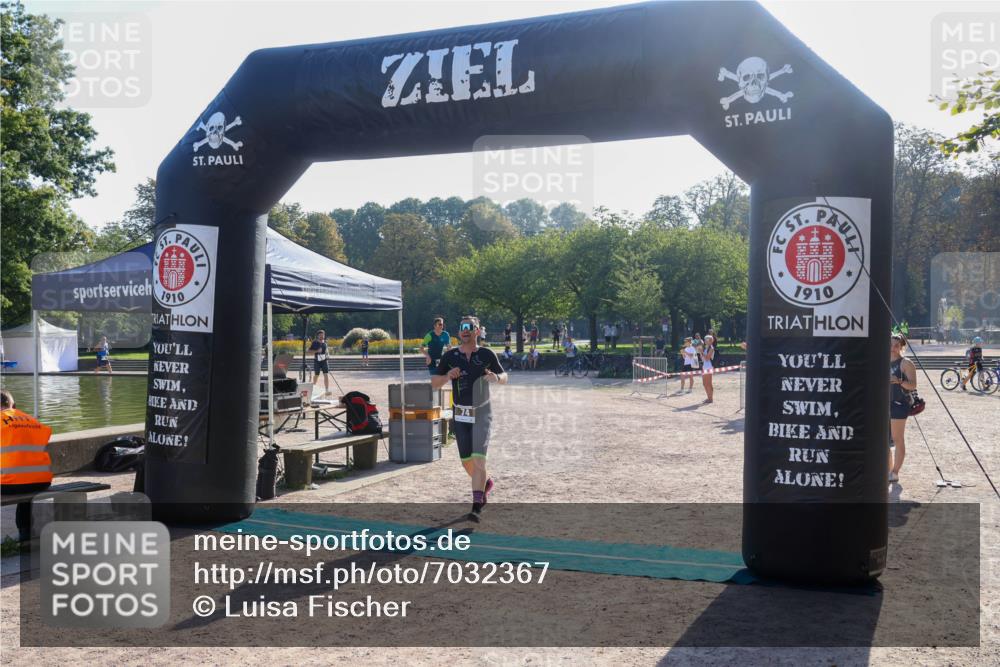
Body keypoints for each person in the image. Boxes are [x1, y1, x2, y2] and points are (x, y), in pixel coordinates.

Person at [431, 316, 507, 523]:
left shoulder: (486, 354)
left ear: (477, 331)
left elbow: (504, 377)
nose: (465, 330)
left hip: (482, 412)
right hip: (460, 414)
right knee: (467, 463)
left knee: (479, 459)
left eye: (470, 327)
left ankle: (476, 506)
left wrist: (496, 378)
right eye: (462, 327)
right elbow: (434, 383)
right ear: (458, 332)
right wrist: (448, 376)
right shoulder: (450, 356)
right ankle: (486, 483)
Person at [1, 390, 53, 540]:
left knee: (16, 479)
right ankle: (25, 532)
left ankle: (25, 533)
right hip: (41, 482)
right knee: (23, 482)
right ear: (13, 406)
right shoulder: (32, 421)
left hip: (8, 485)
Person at [889, 334, 917, 483]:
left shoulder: (906, 363)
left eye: (896, 346)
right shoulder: (880, 360)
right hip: (881, 404)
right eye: (890, 345)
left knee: (897, 438)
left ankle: (895, 472)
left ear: (901, 347)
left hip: (899, 403)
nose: (892, 348)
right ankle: (888, 469)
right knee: (883, 441)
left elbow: (913, 385)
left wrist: (898, 381)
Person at [309, 330, 332, 397]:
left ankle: (327, 390)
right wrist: (317, 351)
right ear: (318, 336)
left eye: (323, 335)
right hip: (317, 361)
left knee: (326, 374)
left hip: (324, 361)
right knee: (316, 375)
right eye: (321, 335)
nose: (322, 336)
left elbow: (326, 350)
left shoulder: (325, 342)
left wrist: (328, 355)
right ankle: (313, 387)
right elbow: (308, 351)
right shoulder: (315, 342)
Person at [701, 334, 716, 403]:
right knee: (704, 383)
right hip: (704, 366)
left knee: (708, 383)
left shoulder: (711, 348)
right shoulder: (706, 348)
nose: (705, 341)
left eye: (706, 339)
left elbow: (707, 358)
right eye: (705, 339)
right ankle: (708, 397)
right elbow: (703, 358)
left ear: (710, 341)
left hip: (709, 366)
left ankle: (710, 398)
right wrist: (701, 353)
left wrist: (701, 352)